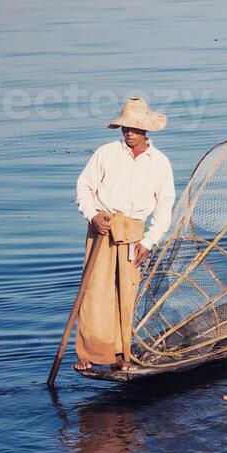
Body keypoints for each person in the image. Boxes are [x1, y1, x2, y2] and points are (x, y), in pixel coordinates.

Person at [73, 97, 176, 371]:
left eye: (134, 128)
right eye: (125, 128)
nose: (129, 133)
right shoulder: (106, 153)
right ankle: (89, 352)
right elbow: (84, 188)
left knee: (125, 292)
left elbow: (165, 207)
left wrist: (149, 241)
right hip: (102, 228)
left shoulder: (160, 163)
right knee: (95, 289)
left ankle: (120, 353)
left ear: (146, 131)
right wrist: (93, 216)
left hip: (133, 233)